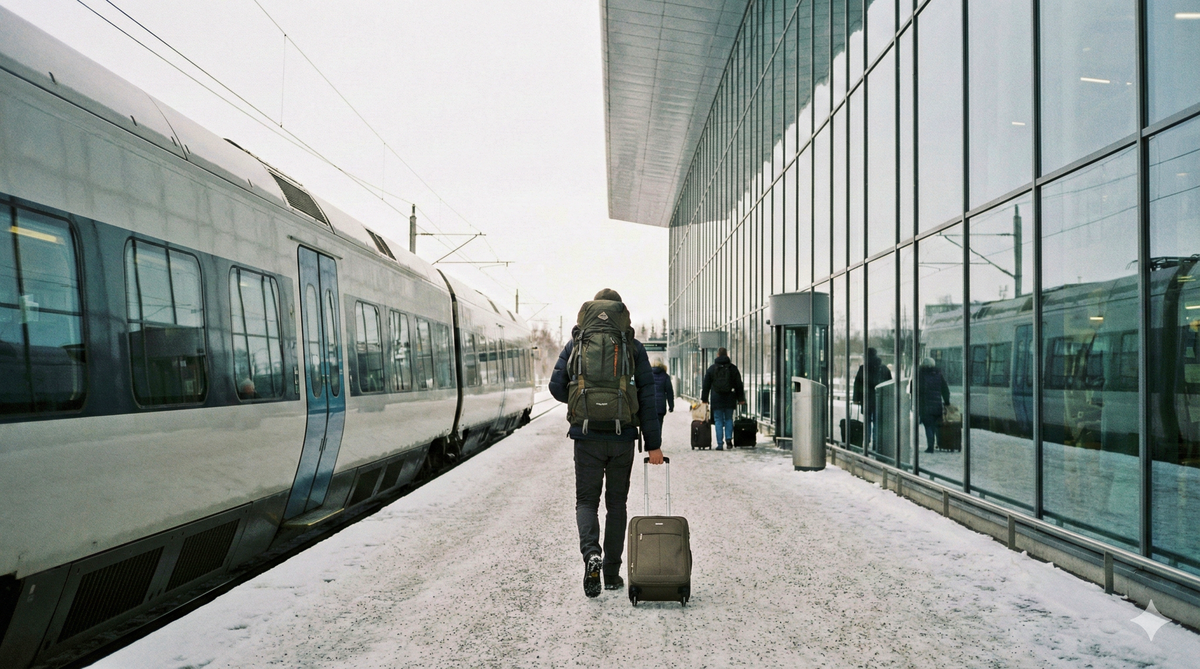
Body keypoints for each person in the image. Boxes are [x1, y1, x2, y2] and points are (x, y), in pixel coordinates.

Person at [549, 288, 662, 598]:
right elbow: (648, 399)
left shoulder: (576, 342)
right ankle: (611, 574)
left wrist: (580, 400)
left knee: (586, 502)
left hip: (585, 436)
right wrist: (653, 445)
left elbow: (555, 387)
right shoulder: (633, 346)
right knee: (616, 505)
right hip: (621, 437)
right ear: (621, 313)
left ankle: (591, 554)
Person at [701, 347, 745, 450]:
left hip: (716, 398)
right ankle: (729, 440)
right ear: (727, 355)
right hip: (730, 397)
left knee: (718, 420)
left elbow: (706, 385)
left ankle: (720, 444)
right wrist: (741, 398)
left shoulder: (711, 368)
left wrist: (704, 399)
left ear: (717, 355)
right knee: (729, 419)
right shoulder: (733, 368)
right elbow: (739, 384)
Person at [853, 347, 892, 448]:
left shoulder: (863, 368)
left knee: (867, 421)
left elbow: (857, 383)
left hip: (866, 399)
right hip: (879, 399)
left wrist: (856, 398)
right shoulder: (883, 368)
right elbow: (889, 384)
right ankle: (876, 442)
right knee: (877, 421)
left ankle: (866, 441)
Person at [917, 357, 950, 453]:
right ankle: (938, 444)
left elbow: (914, 389)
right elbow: (945, 389)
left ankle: (930, 446)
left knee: (928, 426)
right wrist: (947, 401)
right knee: (936, 426)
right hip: (937, 405)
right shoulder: (938, 375)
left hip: (925, 405)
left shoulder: (921, 374)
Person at [651, 359, 675, 423]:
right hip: (661, 406)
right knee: (659, 425)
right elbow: (669, 392)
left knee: (650, 425)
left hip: (650, 405)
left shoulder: (648, 375)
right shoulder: (665, 376)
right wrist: (671, 405)